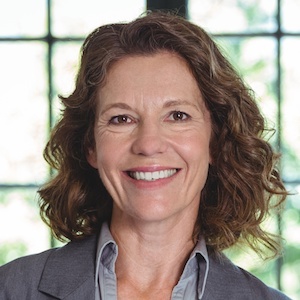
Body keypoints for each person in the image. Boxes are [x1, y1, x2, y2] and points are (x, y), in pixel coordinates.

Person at [0, 12, 291, 300]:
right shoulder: (10, 289)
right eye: (121, 119)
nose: (149, 144)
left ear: (215, 141)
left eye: (177, 115)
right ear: (91, 146)